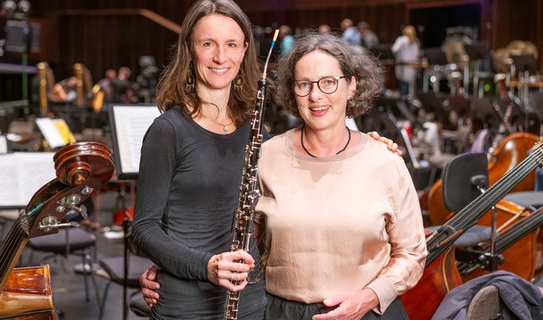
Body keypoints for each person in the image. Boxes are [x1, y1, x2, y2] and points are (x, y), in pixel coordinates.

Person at [140, 32, 427, 320]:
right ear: (292, 92)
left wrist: (370, 297)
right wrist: (172, 270)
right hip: (278, 312)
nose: (316, 96)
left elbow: (413, 253)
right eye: (304, 85)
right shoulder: (267, 155)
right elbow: (235, 236)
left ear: (351, 85)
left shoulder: (384, 160)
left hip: (366, 313)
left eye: (329, 82)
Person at [130, 0, 268, 318]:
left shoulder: (256, 128)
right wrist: (205, 266)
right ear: (191, 50)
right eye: (208, 44)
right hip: (187, 305)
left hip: (250, 300)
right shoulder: (168, 130)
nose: (221, 57)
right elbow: (144, 228)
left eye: (231, 44)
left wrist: (369, 144)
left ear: (244, 50)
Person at [391, 25, 421, 97]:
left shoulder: (401, 39)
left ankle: (403, 101)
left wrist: (398, 57)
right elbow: (417, 54)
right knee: (411, 86)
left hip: (403, 65)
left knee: (403, 84)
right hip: (412, 65)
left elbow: (394, 50)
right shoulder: (416, 41)